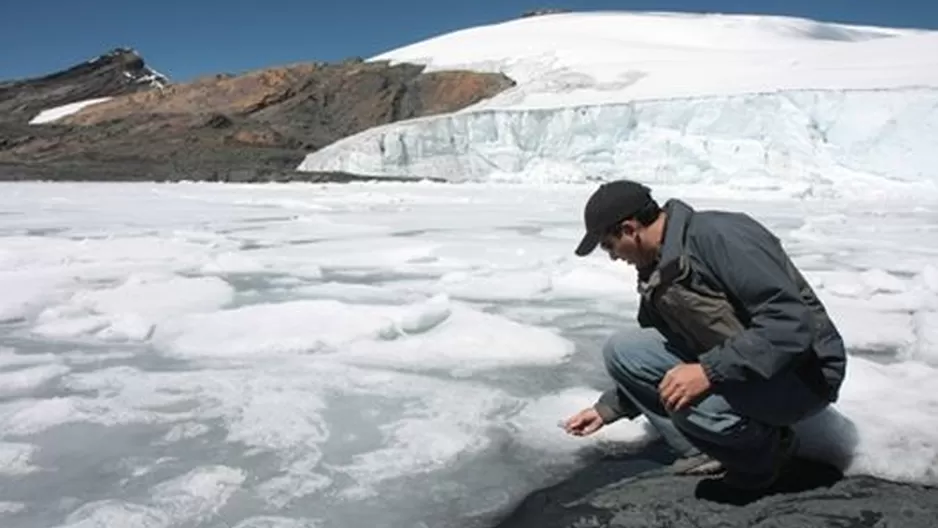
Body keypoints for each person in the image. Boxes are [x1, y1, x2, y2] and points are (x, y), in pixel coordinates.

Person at [562, 180, 847, 489]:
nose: (613, 257)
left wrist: (709, 372)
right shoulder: (659, 268)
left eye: (608, 245)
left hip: (804, 376)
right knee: (624, 350)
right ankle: (712, 448)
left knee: (687, 406)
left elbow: (790, 324)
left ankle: (767, 455)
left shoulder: (720, 237)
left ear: (629, 229)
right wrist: (609, 409)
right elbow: (663, 350)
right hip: (747, 364)